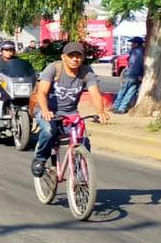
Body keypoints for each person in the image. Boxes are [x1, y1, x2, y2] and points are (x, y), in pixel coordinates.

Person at [31, 40, 109, 176]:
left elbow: (95, 93)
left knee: (83, 141)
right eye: (71, 56)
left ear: (83, 58)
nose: (75, 59)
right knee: (49, 131)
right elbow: (41, 92)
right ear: (63, 57)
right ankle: (40, 159)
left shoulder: (86, 72)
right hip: (48, 110)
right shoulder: (54, 68)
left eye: (78, 56)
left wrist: (101, 111)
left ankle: (81, 178)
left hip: (71, 113)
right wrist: (44, 110)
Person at [113, 36, 144, 114]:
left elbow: (133, 63)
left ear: (136, 44)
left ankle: (116, 106)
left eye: (132, 43)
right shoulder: (144, 52)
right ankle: (122, 108)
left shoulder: (134, 52)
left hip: (130, 74)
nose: (131, 44)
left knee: (122, 91)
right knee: (130, 93)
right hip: (137, 76)